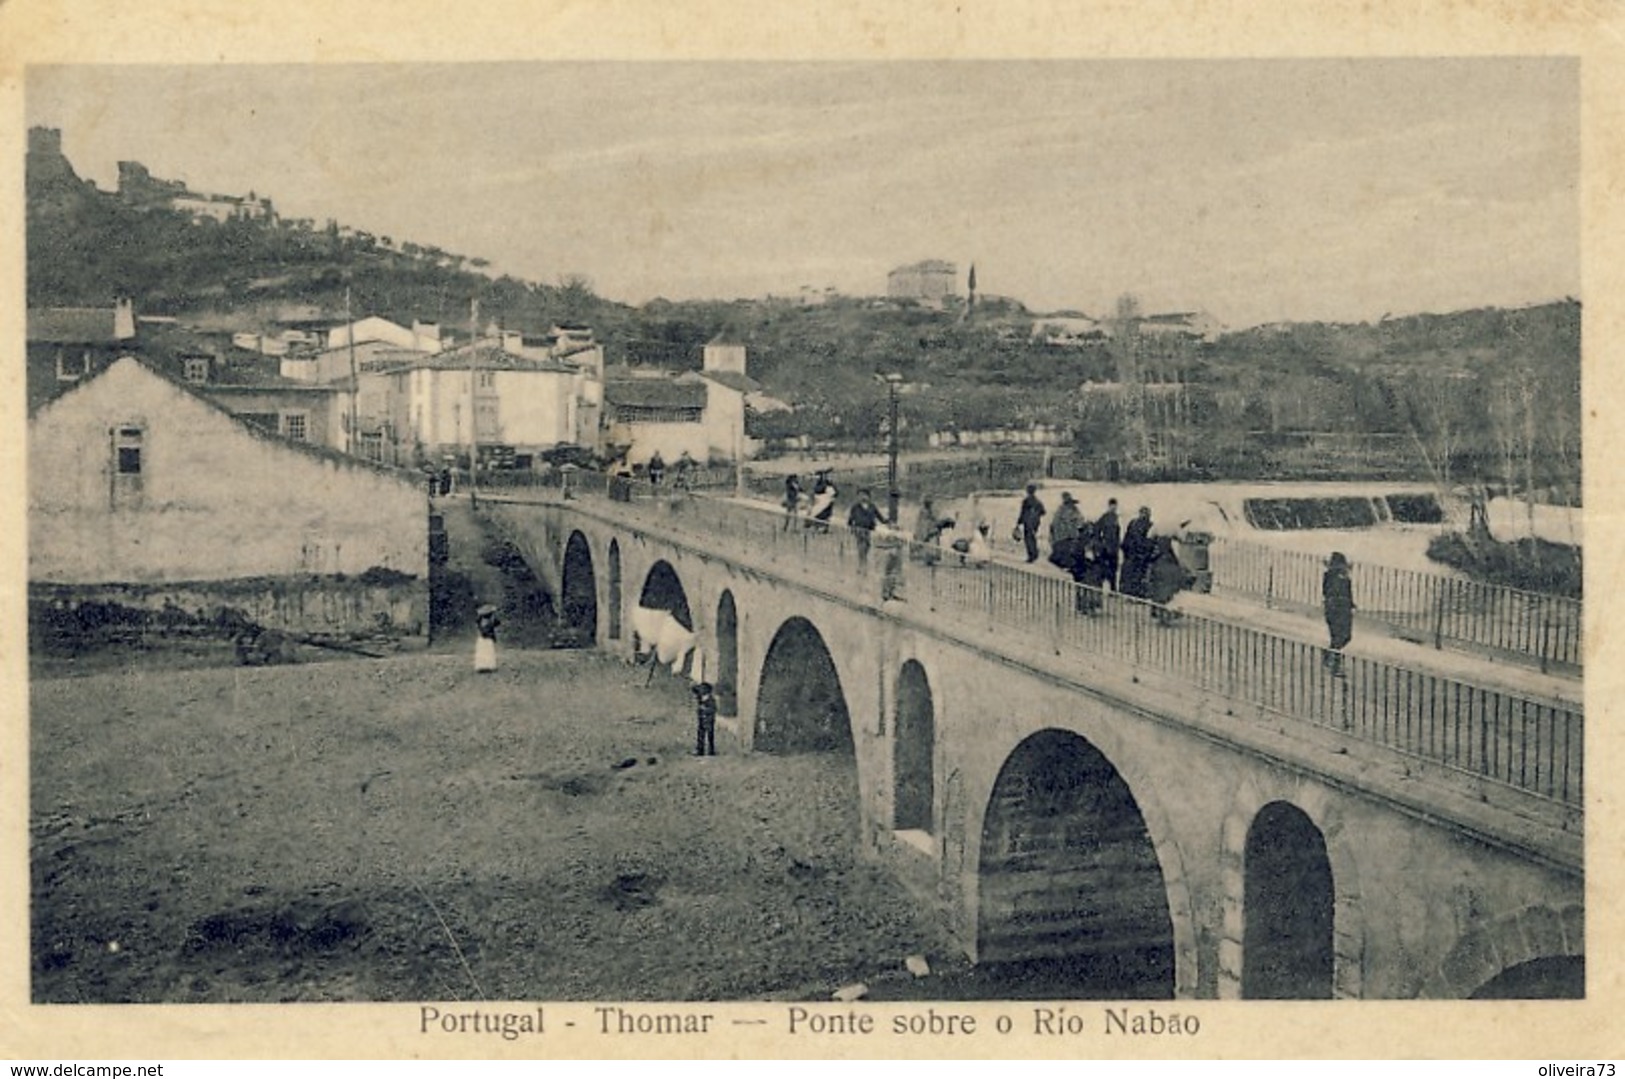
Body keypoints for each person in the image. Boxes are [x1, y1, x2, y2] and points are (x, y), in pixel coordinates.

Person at [1322, 551, 1356, 676]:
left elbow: (1348, 593)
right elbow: (1330, 592)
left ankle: (1329, 654)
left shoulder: (1342, 577)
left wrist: (1351, 604)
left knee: (1343, 636)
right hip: (1337, 608)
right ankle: (1335, 664)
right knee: (1340, 636)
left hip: (1341, 609)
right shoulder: (1332, 576)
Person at [1146, 536, 1194, 623]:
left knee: (1160, 595)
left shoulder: (1158, 548)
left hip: (1161, 574)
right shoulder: (1170, 549)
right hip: (1167, 574)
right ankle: (1166, 614)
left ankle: (1160, 613)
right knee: (1167, 596)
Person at [1120, 506, 1155, 599]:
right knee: (1137, 575)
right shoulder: (1148, 525)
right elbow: (1150, 541)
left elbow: (1126, 540)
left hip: (1133, 554)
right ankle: (1135, 594)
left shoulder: (1133, 523)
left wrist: (1125, 550)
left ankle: (1129, 593)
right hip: (1139, 555)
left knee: (1132, 575)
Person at [847, 488, 882, 573]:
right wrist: (852, 528)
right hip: (859, 530)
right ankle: (862, 566)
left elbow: (880, 517)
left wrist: (888, 522)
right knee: (861, 547)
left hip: (869, 530)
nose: (862, 497)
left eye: (864, 495)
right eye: (860, 495)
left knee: (867, 547)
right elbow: (850, 520)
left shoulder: (872, 507)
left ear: (869, 496)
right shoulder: (855, 507)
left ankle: (863, 565)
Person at [1048, 492, 1085, 570]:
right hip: (1065, 538)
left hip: (1066, 537)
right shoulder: (1062, 511)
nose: (1071, 505)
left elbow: (1080, 521)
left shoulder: (1067, 510)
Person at [913, 498, 953, 565]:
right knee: (928, 543)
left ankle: (930, 558)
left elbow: (935, 519)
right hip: (926, 529)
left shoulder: (931, 512)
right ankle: (927, 559)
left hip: (931, 529)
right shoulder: (923, 512)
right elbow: (921, 522)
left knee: (932, 542)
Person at [1095, 497, 1122, 590]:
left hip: (1113, 548)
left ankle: (1113, 588)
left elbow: (1117, 534)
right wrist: (1101, 543)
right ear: (1109, 506)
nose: (1114, 508)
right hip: (1106, 547)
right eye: (1112, 506)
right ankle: (1102, 587)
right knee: (1105, 568)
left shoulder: (1116, 518)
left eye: (1115, 506)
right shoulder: (1105, 517)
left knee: (1113, 569)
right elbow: (1097, 530)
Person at [1016, 484, 1046, 563]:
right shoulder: (1038, 501)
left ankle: (1031, 555)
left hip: (1027, 522)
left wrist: (1019, 521)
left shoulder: (1026, 501)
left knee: (1028, 538)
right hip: (1036, 522)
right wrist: (1036, 514)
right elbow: (1043, 512)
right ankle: (1034, 553)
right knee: (1032, 537)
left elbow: (1023, 512)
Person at [692, 681, 718, 756]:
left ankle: (711, 750)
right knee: (701, 735)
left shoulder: (711, 700)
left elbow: (713, 709)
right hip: (702, 720)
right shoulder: (701, 699)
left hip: (709, 720)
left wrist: (704, 709)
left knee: (710, 735)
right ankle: (700, 750)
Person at [474, 603, 500, 673]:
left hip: (484, 638)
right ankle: (487, 666)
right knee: (487, 651)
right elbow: (496, 624)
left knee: (485, 651)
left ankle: (484, 666)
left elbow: (497, 623)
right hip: (487, 638)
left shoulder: (482, 620)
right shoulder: (488, 621)